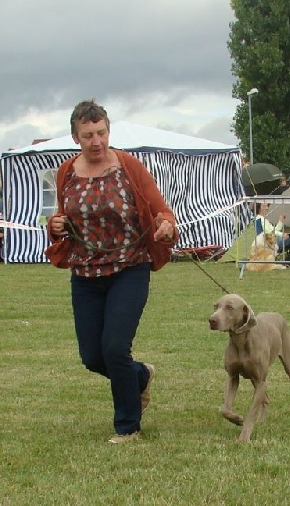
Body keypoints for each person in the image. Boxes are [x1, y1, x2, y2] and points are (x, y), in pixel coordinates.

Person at [47, 99, 178, 444]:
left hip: (129, 268)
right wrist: (56, 224)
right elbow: (63, 215)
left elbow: (161, 210)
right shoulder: (66, 172)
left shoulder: (129, 167)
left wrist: (164, 225)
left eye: (101, 133)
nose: (97, 141)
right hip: (86, 275)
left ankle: (127, 426)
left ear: (108, 130)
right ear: (75, 137)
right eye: (88, 135)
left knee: (115, 348)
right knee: (92, 356)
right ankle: (140, 377)